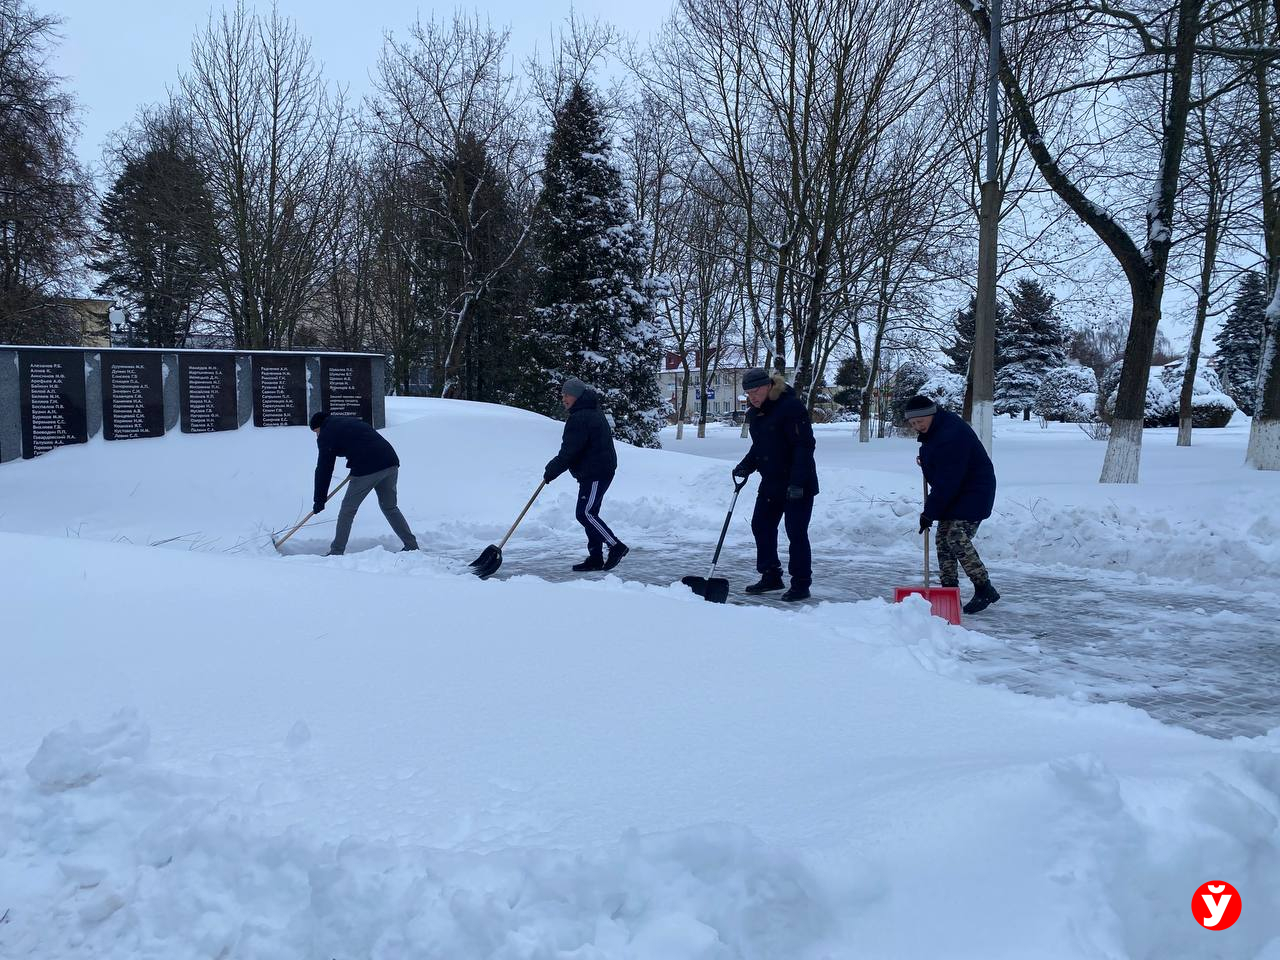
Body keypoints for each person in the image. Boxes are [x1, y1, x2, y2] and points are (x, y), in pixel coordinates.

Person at [904, 395, 999, 614]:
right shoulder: (938, 429)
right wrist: (926, 461)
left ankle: (984, 587)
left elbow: (948, 480)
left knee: (956, 537)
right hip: (956, 492)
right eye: (913, 424)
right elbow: (943, 466)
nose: (918, 426)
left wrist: (929, 513)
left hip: (973, 491)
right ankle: (949, 591)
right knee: (943, 540)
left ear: (932, 413)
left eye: (920, 421)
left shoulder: (950, 434)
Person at [732, 368, 818, 601]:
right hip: (771, 482)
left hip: (797, 483)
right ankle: (771, 575)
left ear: (769, 385)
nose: (753, 396)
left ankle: (801, 583)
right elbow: (759, 447)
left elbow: (804, 446)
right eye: (748, 392)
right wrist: (745, 465)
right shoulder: (756, 413)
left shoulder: (791, 407)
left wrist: (798, 483)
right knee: (761, 525)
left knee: (796, 532)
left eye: (756, 390)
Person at [543, 378, 628, 572]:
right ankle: (595, 558)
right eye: (562, 394)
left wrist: (551, 470)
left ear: (577, 396)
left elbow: (569, 451)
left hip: (596, 472)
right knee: (590, 513)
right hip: (594, 471)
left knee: (585, 513)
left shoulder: (581, 417)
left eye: (567, 394)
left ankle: (616, 546)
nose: (563, 398)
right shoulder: (589, 412)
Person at [310, 410, 418, 556]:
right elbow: (361, 442)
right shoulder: (347, 422)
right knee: (390, 507)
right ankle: (411, 546)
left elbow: (324, 468)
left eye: (316, 432)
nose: (317, 436)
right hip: (390, 461)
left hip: (367, 467)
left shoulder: (326, 433)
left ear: (319, 426)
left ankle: (336, 552)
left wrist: (319, 500)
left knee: (348, 510)